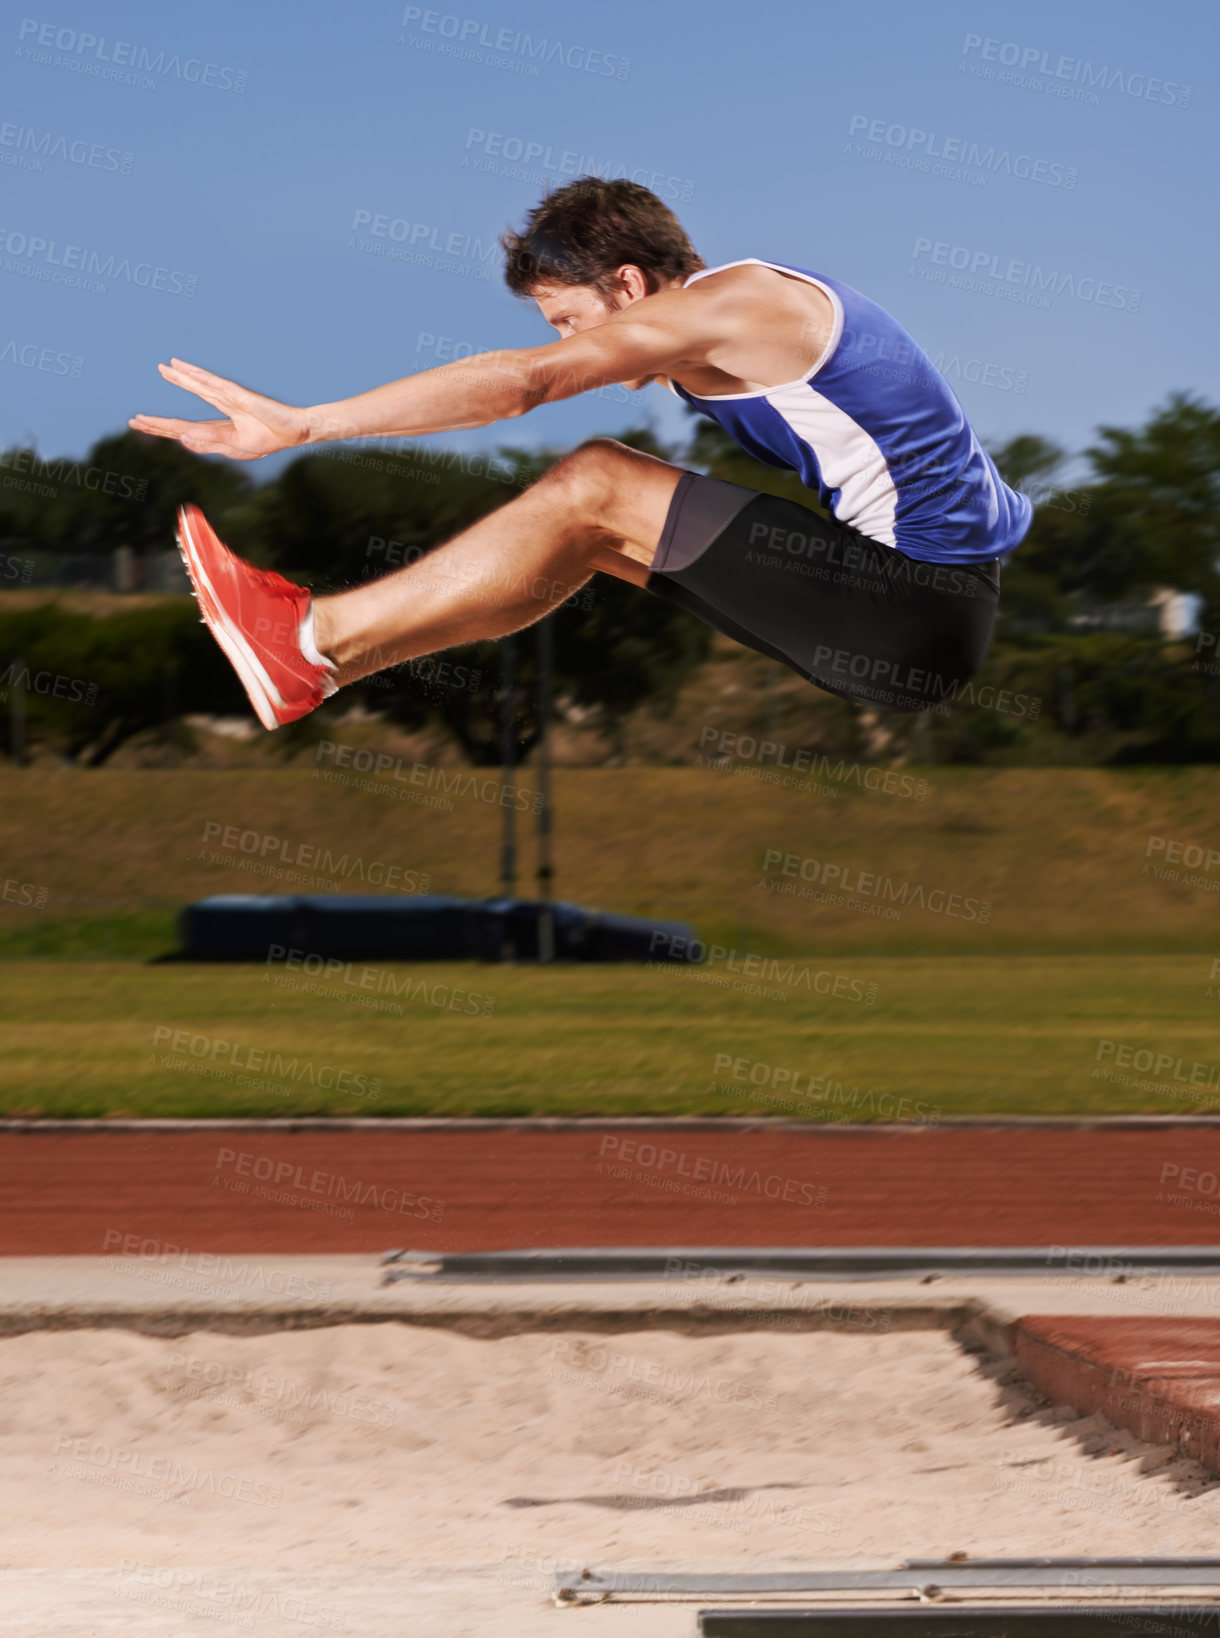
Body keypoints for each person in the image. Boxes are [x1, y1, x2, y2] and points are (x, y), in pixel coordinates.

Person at [129, 177, 1032, 730]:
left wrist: (303, 424)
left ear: (629, 286)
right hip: (908, 615)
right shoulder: (718, 330)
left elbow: (524, 383)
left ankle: (313, 639)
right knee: (588, 532)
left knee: (598, 482)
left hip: (914, 609)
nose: (565, 340)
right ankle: (320, 666)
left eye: (568, 318)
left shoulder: (734, 308)